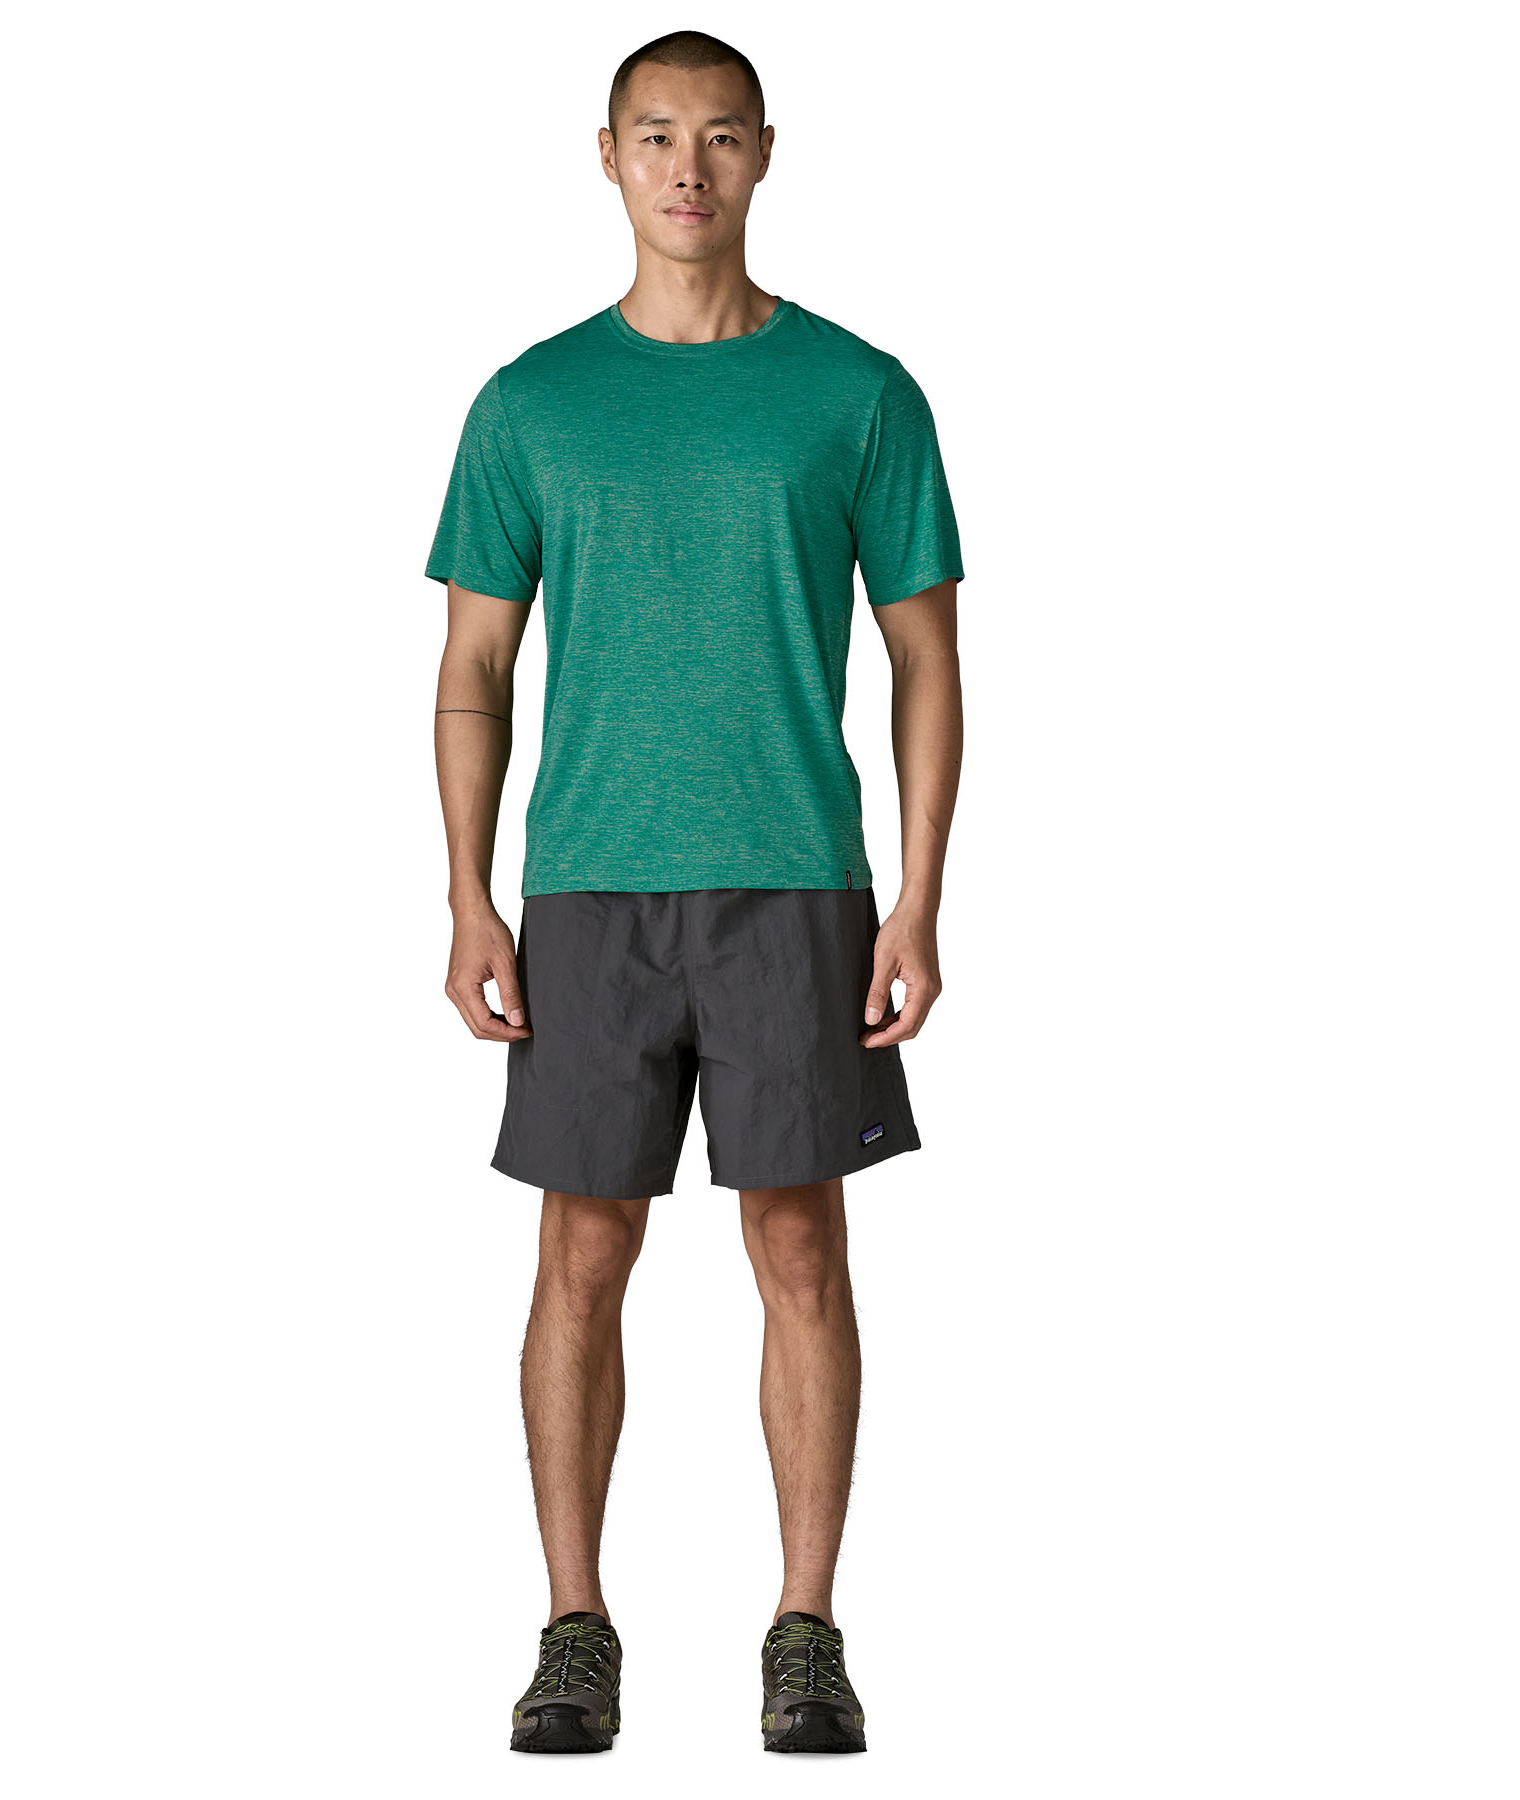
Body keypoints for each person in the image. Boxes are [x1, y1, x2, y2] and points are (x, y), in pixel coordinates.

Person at [427, 29, 965, 1755]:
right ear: (606, 155)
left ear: (764, 155)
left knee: (800, 1240)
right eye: (656, 135)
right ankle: (572, 1627)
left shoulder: (859, 394)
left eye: (719, 137)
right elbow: (473, 671)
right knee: (583, 1247)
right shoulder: (531, 404)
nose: (687, 168)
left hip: (796, 881)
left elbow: (928, 660)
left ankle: (806, 1631)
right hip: (587, 886)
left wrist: (918, 897)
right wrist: (468, 895)